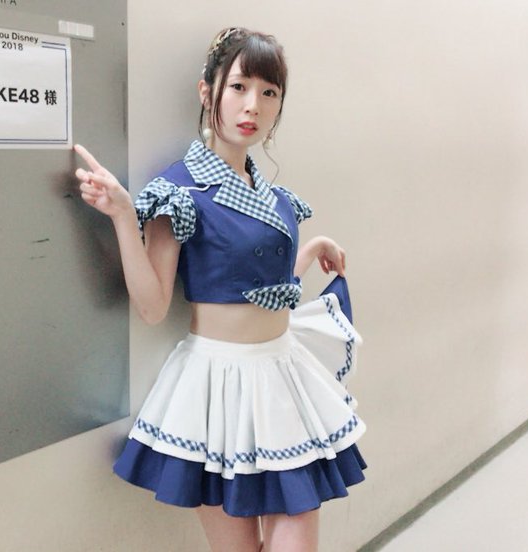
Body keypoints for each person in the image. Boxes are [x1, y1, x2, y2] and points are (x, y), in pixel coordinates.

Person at [75, 27, 366, 552]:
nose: (253, 105)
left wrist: (309, 249)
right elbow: (152, 306)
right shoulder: (179, 190)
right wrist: (122, 214)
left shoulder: (272, 195)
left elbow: (262, 285)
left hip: (280, 373)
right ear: (206, 91)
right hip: (218, 386)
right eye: (239, 87)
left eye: (269, 92)